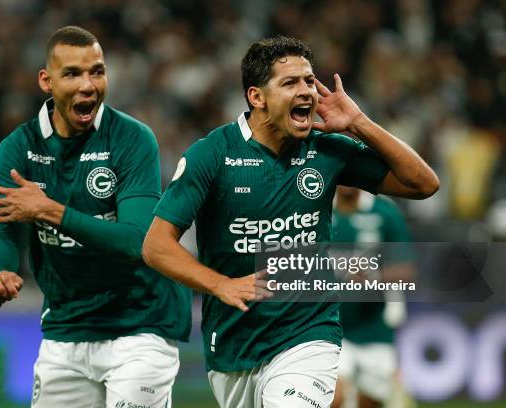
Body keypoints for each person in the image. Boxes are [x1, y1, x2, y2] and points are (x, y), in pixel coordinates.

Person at [142, 35, 438, 408]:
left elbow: (423, 184)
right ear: (256, 97)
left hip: (309, 332)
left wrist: (359, 122)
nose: (307, 92)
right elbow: (156, 245)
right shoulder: (212, 155)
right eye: (290, 83)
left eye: (309, 81)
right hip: (234, 342)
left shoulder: (327, 149)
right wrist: (220, 284)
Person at [0, 26, 190, 408]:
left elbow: (137, 241)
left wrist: (49, 210)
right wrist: (1, 270)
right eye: (73, 73)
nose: (89, 85)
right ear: (46, 80)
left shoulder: (131, 138)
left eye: (97, 71)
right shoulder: (17, 149)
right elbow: (4, 228)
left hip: (139, 325)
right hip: (65, 329)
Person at [331, 186, 416, 408]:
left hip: (374, 326)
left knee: (369, 401)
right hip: (330, 325)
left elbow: (406, 269)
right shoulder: (315, 207)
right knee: (333, 396)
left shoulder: (384, 211)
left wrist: (373, 276)